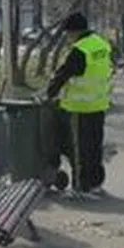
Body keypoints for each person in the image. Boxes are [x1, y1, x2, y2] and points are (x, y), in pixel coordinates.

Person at [45, 11, 113, 200]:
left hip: (78, 108)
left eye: (68, 34)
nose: (68, 37)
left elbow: (62, 75)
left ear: (73, 31)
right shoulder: (102, 45)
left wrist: (49, 93)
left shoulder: (79, 50)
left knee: (79, 150)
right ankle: (95, 183)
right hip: (98, 105)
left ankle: (80, 188)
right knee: (95, 146)